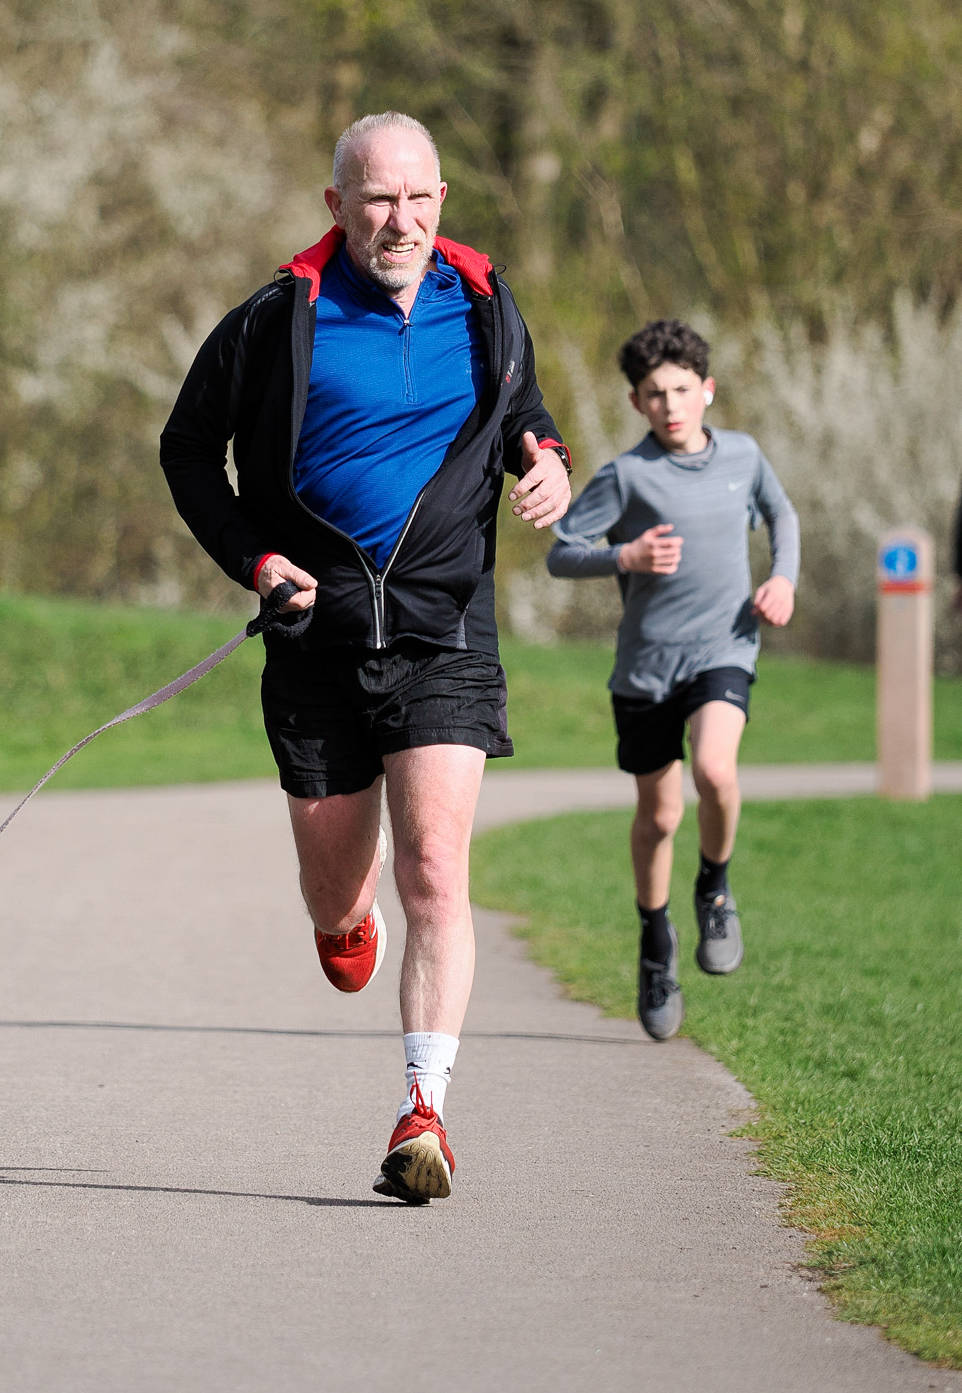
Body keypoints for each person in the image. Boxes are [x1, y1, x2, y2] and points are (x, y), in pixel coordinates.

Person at [160, 112, 571, 1203]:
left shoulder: (483, 301)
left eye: (419, 197)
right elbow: (188, 449)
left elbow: (522, 408)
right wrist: (255, 559)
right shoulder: (274, 319)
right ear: (335, 204)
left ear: (443, 198)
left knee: (435, 867)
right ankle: (347, 915)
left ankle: (424, 1109)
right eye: (379, 199)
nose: (402, 220)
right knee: (335, 896)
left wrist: (546, 457)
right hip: (316, 636)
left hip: (445, 628)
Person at [546, 319, 799, 1041]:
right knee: (659, 818)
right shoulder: (627, 476)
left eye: (682, 390)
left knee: (716, 770)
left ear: (707, 390)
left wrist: (783, 578)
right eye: (655, 394)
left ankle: (714, 889)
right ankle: (656, 942)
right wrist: (623, 557)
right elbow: (562, 553)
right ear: (636, 402)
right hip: (647, 667)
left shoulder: (743, 456)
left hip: (725, 648)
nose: (671, 405)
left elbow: (781, 514)